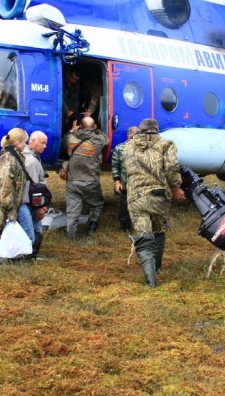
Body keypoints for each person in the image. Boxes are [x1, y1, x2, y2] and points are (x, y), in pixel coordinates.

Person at [123, 118, 185, 288]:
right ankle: (156, 269)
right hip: (158, 197)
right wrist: (176, 187)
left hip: (135, 197)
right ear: (157, 130)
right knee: (158, 231)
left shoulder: (128, 146)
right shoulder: (167, 144)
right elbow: (172, 167)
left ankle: (151, 282)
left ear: (141, 130)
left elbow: (125, 169)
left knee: (143, 236)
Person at [0, 128, 30, 266]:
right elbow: (6, 189)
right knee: (10, 235)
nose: (26, 146)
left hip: (11, 204)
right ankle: (3, 262)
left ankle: (9, 260)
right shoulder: (9, 161)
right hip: (7, 205)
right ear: (18, 142)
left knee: (7, 234)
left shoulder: (13, 158)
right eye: (24, 142)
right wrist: (11, 212)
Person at [64, 116, 109, 238]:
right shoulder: (98, 140)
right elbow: (106, 140)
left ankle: (71, 235)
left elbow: (64, 142)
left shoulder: (71, 138)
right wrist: (97, 130)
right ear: (94, 126)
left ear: (80, 125)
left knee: (73, 210)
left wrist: (72, 130)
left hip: (73, 180)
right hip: (90, 180)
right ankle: (91, 229)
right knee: (97, 204)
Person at [19, 130, 49, 259]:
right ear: (32, 141)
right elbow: (33, 188)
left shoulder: (28, 156)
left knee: (35, 229)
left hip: (27, 202)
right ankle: (29, 256)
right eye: (43, 143)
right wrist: (39, 208)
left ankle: (31, 255)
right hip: (30, 203)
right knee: (34, 230)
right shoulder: (31, 161)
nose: (45, 146)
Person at [111, 126, 139, 231]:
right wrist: (117, 181)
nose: (132, 139)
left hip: (140, 184)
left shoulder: (144, 148)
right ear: (128, 136)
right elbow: (115, 166)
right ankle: (124, 227)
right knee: (124, 207)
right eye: (131, 136)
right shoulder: (120, 148)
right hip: (125, 184)